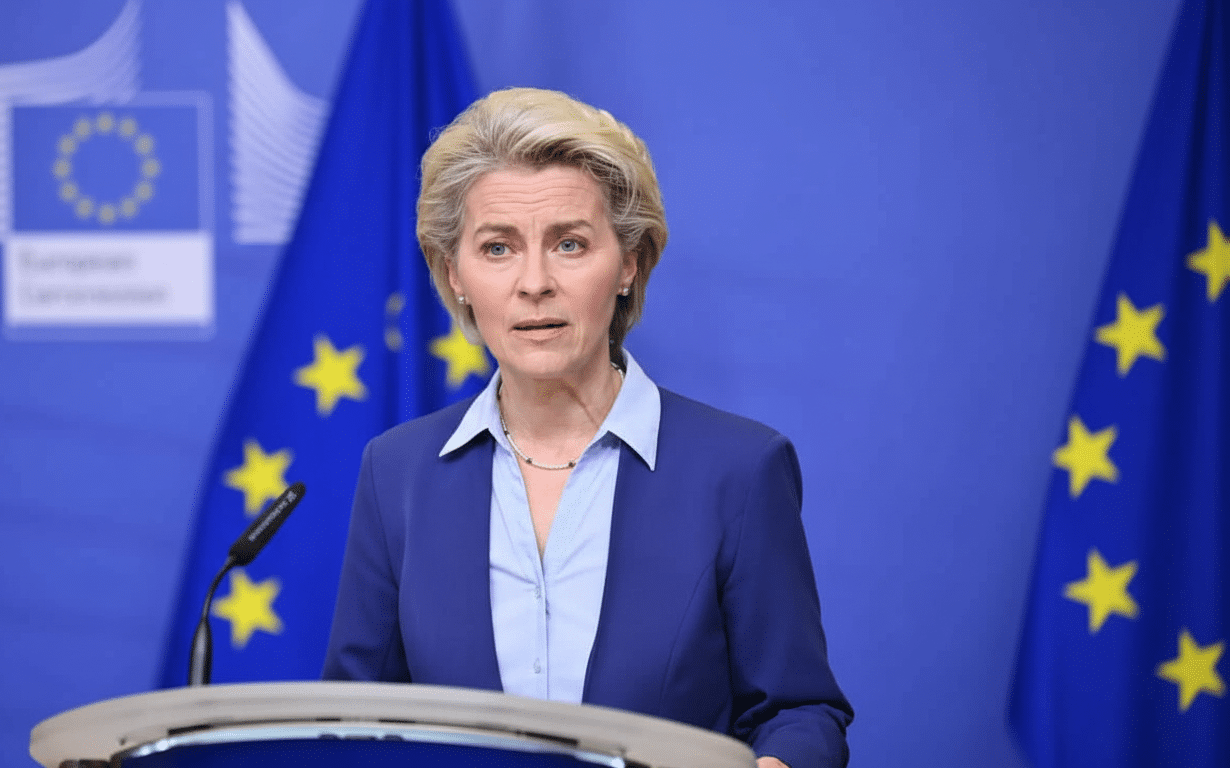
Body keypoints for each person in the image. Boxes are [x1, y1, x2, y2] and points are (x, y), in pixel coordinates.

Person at [322, 87, 852, 768]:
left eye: (569, 244)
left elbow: (798, 711)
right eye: (497, 248)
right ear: (454, 274)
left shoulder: (739, 469)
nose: (534, 282)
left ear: (629, 262)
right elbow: (356, 724)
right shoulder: (397, 471)